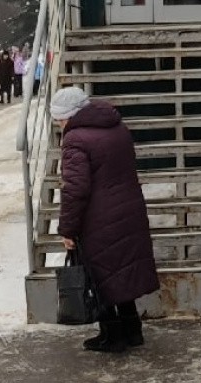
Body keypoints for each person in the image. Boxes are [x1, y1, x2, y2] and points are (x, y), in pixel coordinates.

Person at [50, 86, 160, 353]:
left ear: (71, 114)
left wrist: (67, 229)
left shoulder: (76, 139)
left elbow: (75, 189)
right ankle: (132, 330)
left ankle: (112, 335)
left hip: (98, 216)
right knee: (120, 270)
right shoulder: (117, 126)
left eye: (60, 118)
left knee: (101, 274)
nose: (60, 124)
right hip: (127, 208)